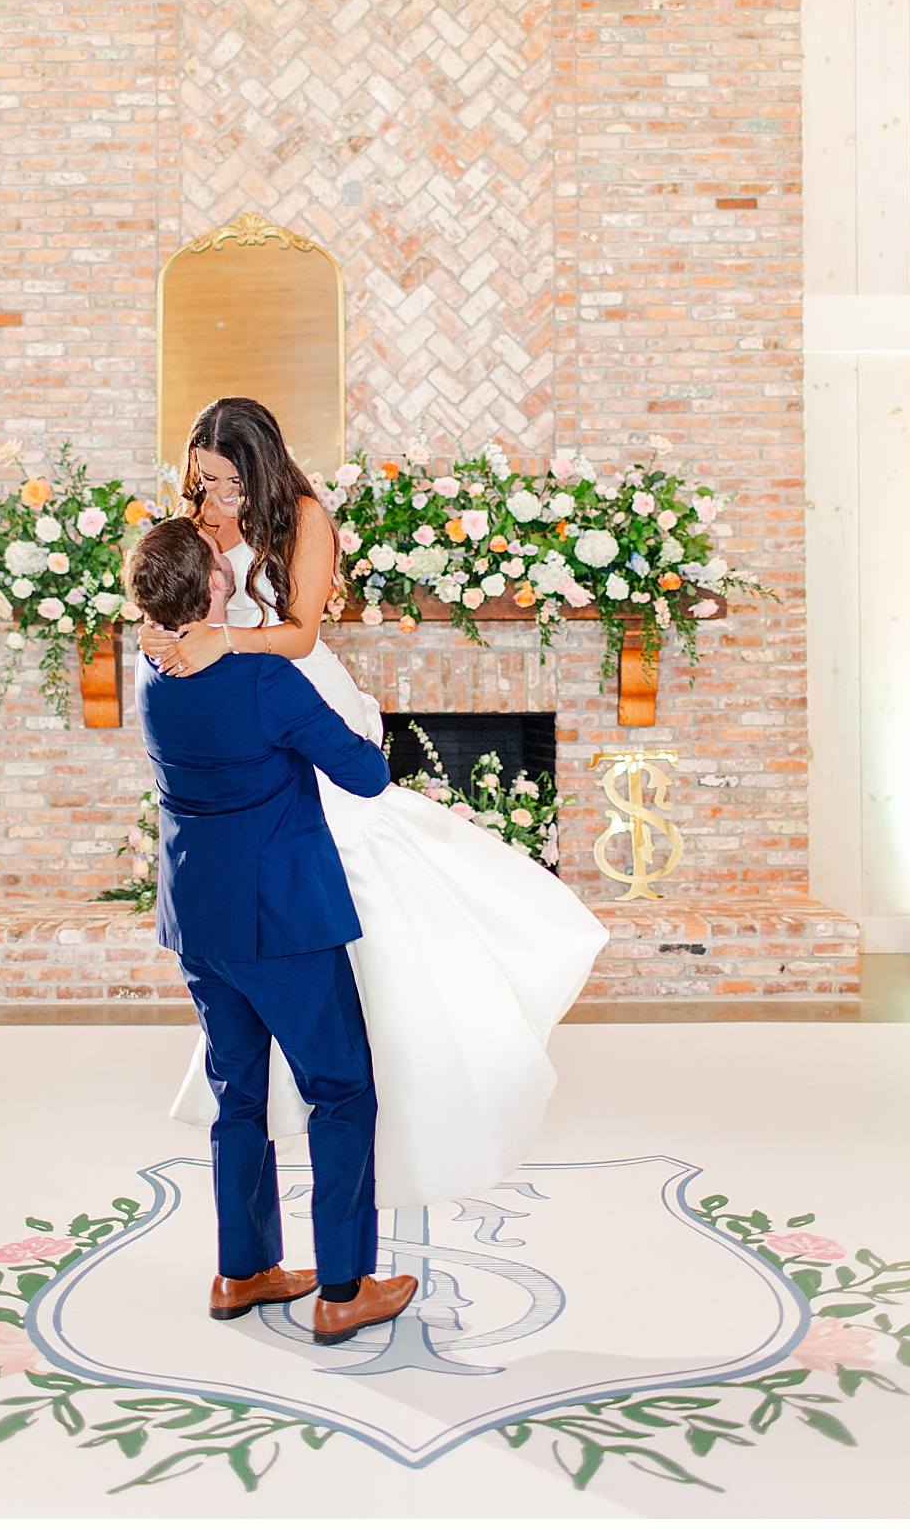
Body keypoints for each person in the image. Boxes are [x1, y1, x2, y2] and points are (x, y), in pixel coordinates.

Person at [139, 398, 610, 1211]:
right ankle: (293, 1037)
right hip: (227, 699)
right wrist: (160, 634)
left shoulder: (305, 519)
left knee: (348, 864)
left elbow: (302, 632)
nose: (209, 496)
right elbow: (172, 593)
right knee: (279, 866)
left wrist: (224, 641)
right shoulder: (198, 515)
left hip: (287, 686)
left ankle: (406, 1031)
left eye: (222, 480)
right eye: (200, 480)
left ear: (257, 467)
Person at [124, 516, 417, 1347]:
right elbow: (366, 775)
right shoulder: (262, 680)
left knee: (237, 1095)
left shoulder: (150, 664)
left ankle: (242, 1268)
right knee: (341, 1090)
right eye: (221, 563)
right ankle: (343, 1287)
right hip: (283, 917)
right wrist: (357, 713)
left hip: (198, 918)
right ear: (216, 588)